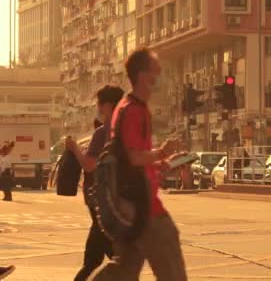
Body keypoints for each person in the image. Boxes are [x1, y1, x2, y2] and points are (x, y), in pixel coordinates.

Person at [93, 48, 187, 281]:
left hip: (132, 205)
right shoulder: (133, 110)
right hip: (145, 209)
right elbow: (134, 156)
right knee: (172, 270)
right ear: (145, 76)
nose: (161, 75)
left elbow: (133, 159)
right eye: (157, 70)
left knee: (123, 270)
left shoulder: (130, 107)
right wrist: (161, 152)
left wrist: (160, 165)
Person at [65, 84, 125, 281]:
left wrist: (74, 148)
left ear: (107, 105)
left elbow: (89, 165)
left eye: (99, 104)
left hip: (101, 201)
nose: (98, 108)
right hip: (121, 200)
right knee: (102, 258)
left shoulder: (103, 132)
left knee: (102, 261)